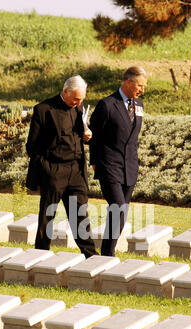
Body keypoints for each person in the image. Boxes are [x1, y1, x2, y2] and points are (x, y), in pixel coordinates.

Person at [26, 75, 98, 258]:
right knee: (48, 215)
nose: (78, 102)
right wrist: (47, 169)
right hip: (53, 170)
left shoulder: (79, 108)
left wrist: (87, 135)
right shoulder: (43, 110)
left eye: (81, 99)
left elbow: (81, 134)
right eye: (75, 98)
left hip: (75, 171)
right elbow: (31, 147)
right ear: (65, 92)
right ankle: (40, 254)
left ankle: (90, 255)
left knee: (80, 214)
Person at [89, 66, 147, 257]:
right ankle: (108, 253)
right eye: (139, 85)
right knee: (118, 208)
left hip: (129, 167)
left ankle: (106, 252)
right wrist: (94, 161)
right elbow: (95, 135)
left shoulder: (138, 105)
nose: (142, 90)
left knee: (120, 213)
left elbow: (133, 137)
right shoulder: (107, 104)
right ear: (128, 82)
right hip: (109, 165)